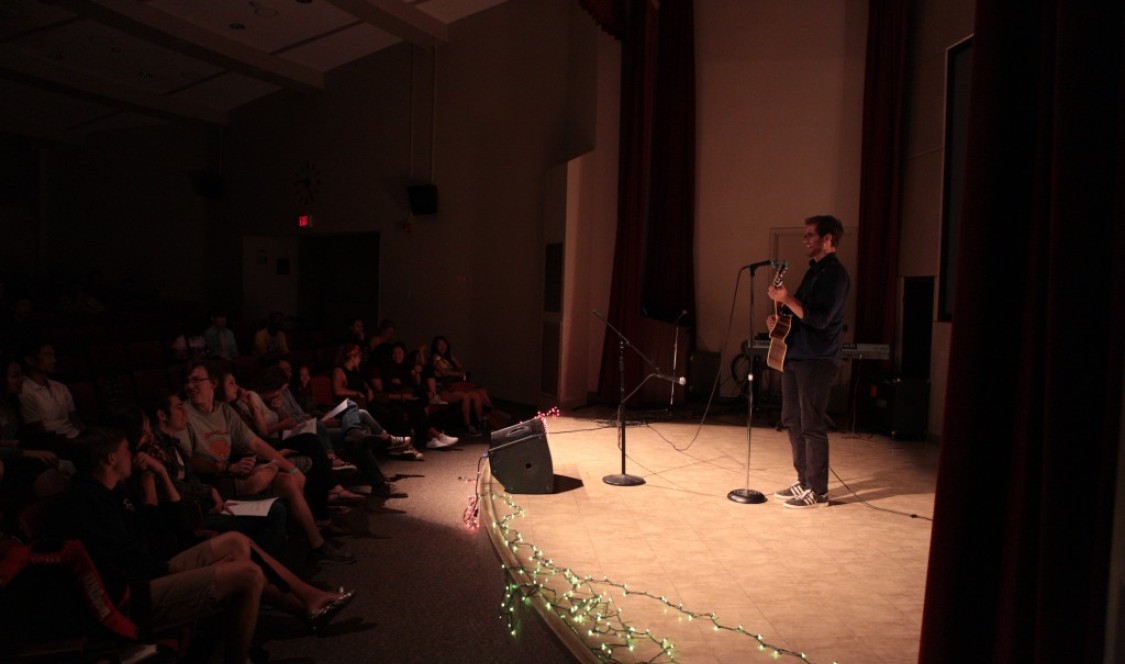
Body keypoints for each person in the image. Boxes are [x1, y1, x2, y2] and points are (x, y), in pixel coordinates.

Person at [64, 428, 355, 663]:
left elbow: (165, 530)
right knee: (248, 573)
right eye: (127, 450)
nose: (134, 454)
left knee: (237, 541)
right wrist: (172, 568)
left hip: (153, 566)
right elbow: (129, 559)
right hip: (134, 592)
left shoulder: (114, 490)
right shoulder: (89, 499)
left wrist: (157, 479)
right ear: (110, 459)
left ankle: (309, 602)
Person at [176, 361, 355, 564]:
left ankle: (317, 544)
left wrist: (292, 468)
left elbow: (256, 443)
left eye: (196, 380)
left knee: (288, 480)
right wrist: (227, 467)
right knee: (267, 475)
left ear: (213, 383)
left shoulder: (223, 410)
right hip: (213, 483)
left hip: (232, 473)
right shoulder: (185, 414)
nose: (189, 386)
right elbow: (187, 460)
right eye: (187, 381)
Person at [766, 215, 850, 509]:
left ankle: (819, 490)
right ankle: (804, 480)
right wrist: (779, 320)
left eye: (810, 235)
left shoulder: (835, 275)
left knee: (812, 423)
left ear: (828, 239)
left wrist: (786, 298)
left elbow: (821, 318)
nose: (805, 240)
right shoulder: (813, 272)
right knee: (791, 418)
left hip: (817, 357)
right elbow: (799, 312)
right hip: (796, 353)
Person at [18, 340, 85, 441]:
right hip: (53, 442)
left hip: (74, 437)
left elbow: (74, 419)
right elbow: (37, 430)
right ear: (30, 360)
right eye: (48, 355)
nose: (54, 360)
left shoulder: (60, 387)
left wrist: (80, 431)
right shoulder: (24, 390)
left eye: (53, 355)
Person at [429, 336, 493, 435]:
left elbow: (462, 369)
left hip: (455, 384)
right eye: (440, 345)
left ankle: (481, 422)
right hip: (444, 388)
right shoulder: (435, 358)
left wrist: (454, 361)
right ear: (435, 347)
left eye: (444, 344)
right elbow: (444, 372)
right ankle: (468, 426)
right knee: (465, 396)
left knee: (476, 395)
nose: (443, 347)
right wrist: (457, 373)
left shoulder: (449, 358)